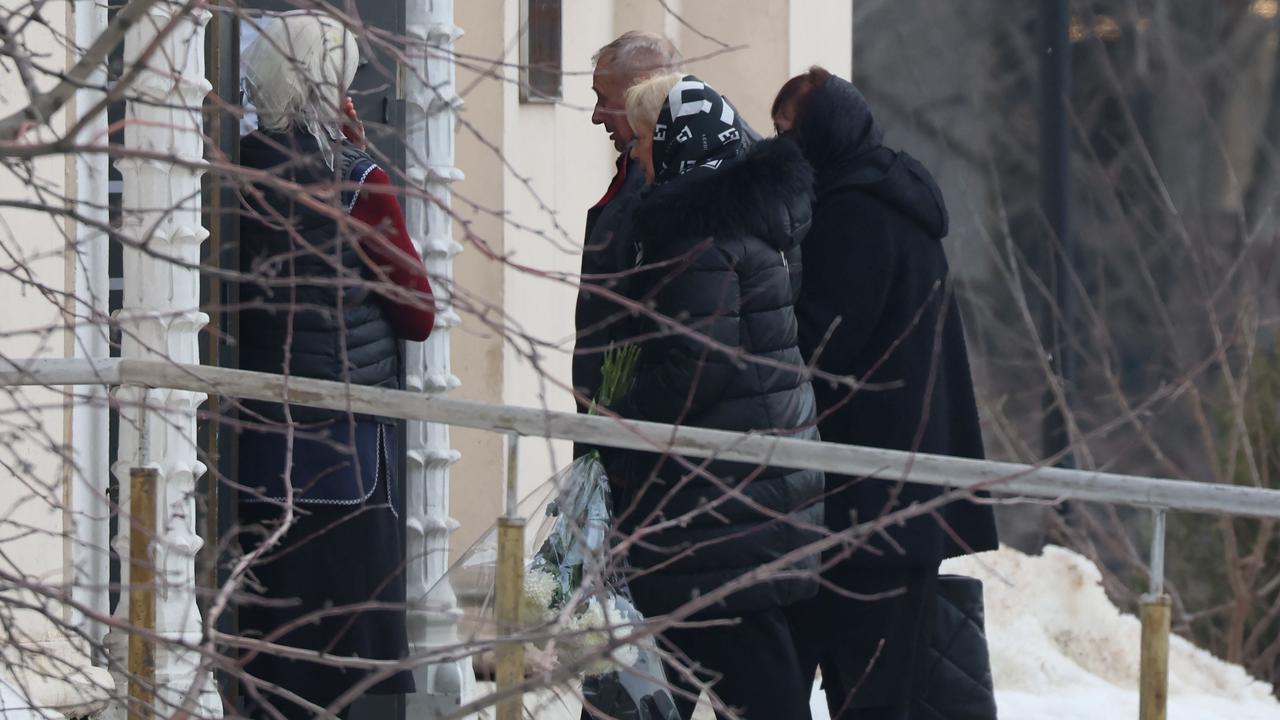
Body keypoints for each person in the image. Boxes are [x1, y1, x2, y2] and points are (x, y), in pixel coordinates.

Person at [771, 67, 999, 719]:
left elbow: (823, 346)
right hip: (900, 502)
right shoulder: (894, 199)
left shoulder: (854, 214)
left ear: (821, 135)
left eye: (787, 131)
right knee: (875, 688)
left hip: (863, 505)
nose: (778, 144)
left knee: (850, 687)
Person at [597, 72, 823, 720]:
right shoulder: (758, 219)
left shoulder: (699, 237)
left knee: (741, 681)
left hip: (723, 500)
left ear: (676, 144)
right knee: (660, 670)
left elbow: (698, 369)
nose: (636, 156)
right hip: (752, 483)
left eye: (644, 140)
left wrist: (618, 409)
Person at [234, 12, 433, 719]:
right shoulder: (359, 181)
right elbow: (417, 312)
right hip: (344, 460)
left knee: (267, 661)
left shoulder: (232, 172)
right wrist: (362, 160)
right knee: (337, 669)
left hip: (252, 452)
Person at [574, 32, 757, 429]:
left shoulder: (683, 206)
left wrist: (625, 417)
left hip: (678, 444)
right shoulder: (672, 174)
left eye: (604, 98)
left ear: (642, 91)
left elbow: (699, 359)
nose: (596, 115)